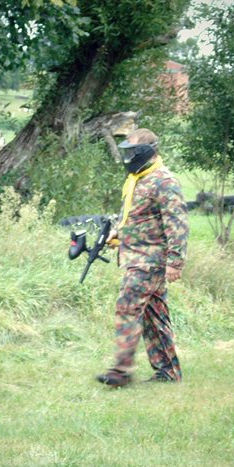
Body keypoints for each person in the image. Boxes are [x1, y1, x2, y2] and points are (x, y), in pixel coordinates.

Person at [96, 128, 189, 387]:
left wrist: (176, 262)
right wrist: (117, 234)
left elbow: (177, 223)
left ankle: (121, 371)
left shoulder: (164, 181)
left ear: (147, 151)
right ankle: (168, 372)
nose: (128, 157)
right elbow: (135, 217)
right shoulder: (137, 179)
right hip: (136, 257)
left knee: (127, 307)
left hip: (150, 261)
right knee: (154, 317)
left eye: (132, 151)